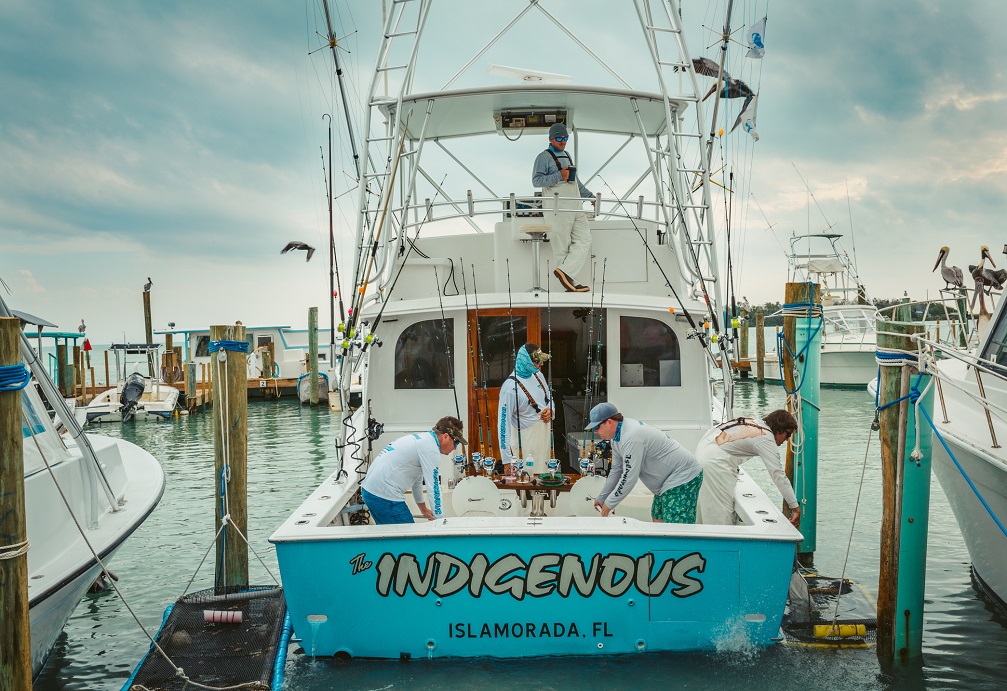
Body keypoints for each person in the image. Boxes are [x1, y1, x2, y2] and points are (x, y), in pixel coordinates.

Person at [584, 402, 703, 523]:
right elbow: (617, 470)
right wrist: (602, 497)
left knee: (675, 530)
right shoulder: (616, 438)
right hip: (666, 483)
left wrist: (609, 504)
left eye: (597, 427)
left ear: (609, 422)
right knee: (657, 519)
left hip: (683, 476)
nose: (595, 432)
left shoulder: (631, 437)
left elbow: (629, 477)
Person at [694, 409, 801, 527]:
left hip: (704, 453)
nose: (787, 440)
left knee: (709, 507)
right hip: (714, 462)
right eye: (788, 434)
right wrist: (795, 507)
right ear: (779, 429)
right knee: (721, 513)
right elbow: (778, 474)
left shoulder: (756, 423)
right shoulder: (765, 438)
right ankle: (721, 542)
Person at [361, 416, 467, 525]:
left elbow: (417, 482)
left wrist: (424, 510)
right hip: (384, 495)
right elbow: (434, 488)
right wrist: (440, 521)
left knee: (391, 537)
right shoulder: (431, 449)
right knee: (408, 539)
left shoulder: (423, 440)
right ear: (445, 436)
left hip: (369, 491)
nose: (455, 448)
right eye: (456, 443)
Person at [532, 122, 594, 292]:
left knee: (585, 238)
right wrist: (560, 175)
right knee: (562, 246)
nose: (563, 141)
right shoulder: (543, 157)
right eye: (559, 138)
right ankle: (571, 283)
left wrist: (590, 196)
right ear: (551, 139)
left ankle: (565, 272)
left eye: (565, 137)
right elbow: (536, 181)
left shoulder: (567, 154)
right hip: (557, 207)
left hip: (575, 205)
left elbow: (575, 181)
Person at [498, 344, 554, 474]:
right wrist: (506, 460)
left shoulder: (538, 375)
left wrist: (551, 410)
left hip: (544, 444)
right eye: (537, 361)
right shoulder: (509, 389)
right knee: (526, 490)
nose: (541, 364)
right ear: (526, 361)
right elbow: (503, 426)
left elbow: (549, 397)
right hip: (524, 447)